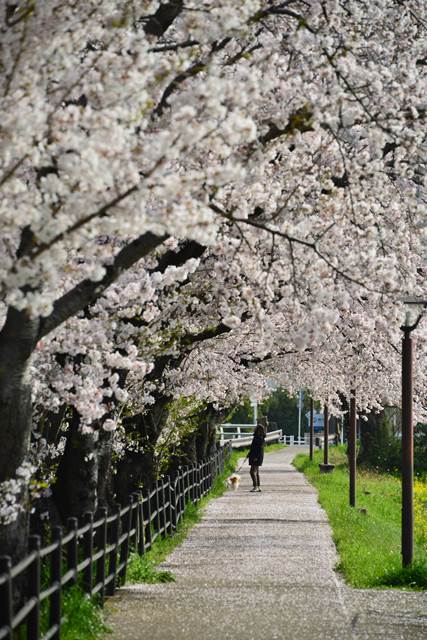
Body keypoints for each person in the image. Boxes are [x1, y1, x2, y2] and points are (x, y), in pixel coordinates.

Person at [248, 424, 265, 492]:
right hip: (256, 456)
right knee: (256, 472)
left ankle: (255, 486)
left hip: (256, 457)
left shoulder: (258, 438)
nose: (254, 429)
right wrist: (249, 454)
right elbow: (253, 448)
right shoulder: (259, 437)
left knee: (252, 472)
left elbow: (258, 449)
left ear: (258, 430)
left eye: (256, 428)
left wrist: (255, 457)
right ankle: (258, 486)